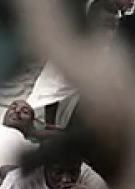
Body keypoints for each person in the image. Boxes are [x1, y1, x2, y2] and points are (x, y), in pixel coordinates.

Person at [28, 0, 121, 128]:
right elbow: (50, 91)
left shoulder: (107, 48)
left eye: (113, 26)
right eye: (105, 25)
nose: (109, 31)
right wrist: (50, 125)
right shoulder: (73, 49)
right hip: (51, 113)